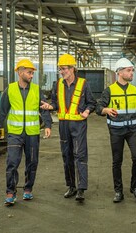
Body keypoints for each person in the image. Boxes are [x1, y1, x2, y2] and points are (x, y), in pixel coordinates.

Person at [0, 59, 52, 206]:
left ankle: (28, 189)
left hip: (32, 133)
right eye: (29, 72)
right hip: (15, 134)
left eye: (32, 73)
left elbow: (44, 108)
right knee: (12, 162)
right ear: (20, 72)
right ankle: (10, 192)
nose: (32, 75)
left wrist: (48, 125)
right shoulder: (10, 90)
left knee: (32, 163)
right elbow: (2, 111)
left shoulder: (37, 90)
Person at [41, 53, 96, 202]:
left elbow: (92, 103)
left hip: (78, 125)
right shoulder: (57, 84)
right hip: (64, 126)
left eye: (64, 69)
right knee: (67, 156)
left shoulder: (83, 84)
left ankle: (81, 188)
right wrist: (49, 106)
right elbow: (55, 103)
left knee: (80, 155)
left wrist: (87, 111)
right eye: (60, 69)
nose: (62, 72)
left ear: (72, 69)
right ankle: (71, 186)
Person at [96, 58, 136, 203]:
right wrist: (106, 109)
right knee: (117, 161)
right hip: (116, 131)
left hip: (133, 130)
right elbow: (98, 109)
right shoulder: (109, 90)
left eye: (132, 70)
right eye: (129, 70)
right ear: (119, 72)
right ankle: (118, 191)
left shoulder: (135, 90)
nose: (131, 73)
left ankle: (134, 187)